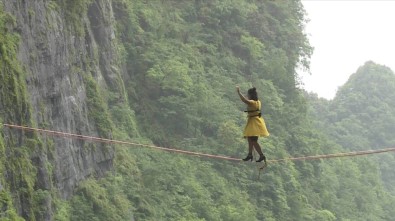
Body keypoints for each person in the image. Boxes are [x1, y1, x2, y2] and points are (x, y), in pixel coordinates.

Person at [236, 86, 269, 164]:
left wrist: (239, 92)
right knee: (250, 138)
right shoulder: (258, 102)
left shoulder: (253, 102)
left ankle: (261, 155)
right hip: (254, 121)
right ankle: (250, 154)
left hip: (255, 123)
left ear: (251, 95)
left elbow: (244, 100)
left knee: (253, 140)